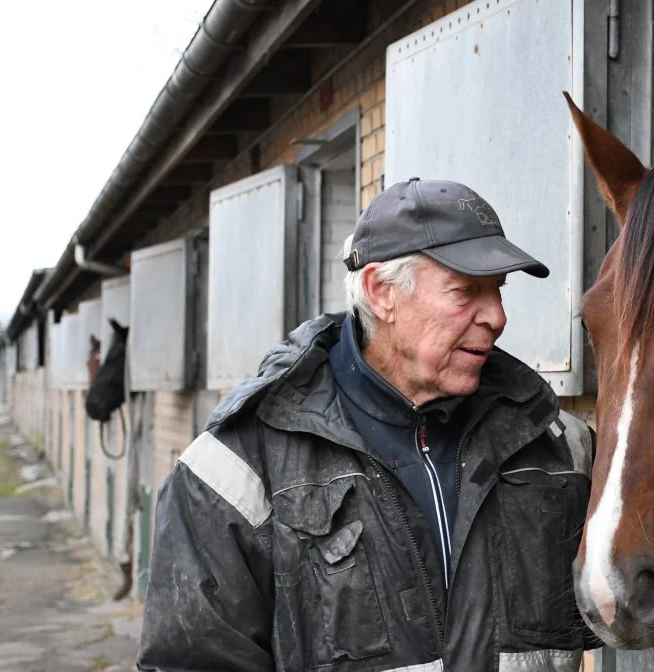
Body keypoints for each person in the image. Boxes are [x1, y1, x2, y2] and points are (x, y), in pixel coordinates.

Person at [136, 177, 599, 671]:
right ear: (382, 293)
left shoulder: (556, 444)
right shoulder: (236, 469)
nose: (497, 316)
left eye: (498, 291)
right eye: (466, 291)